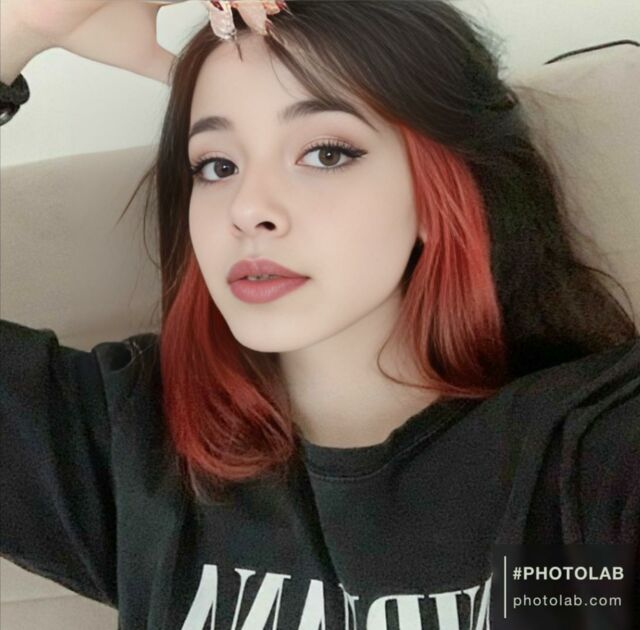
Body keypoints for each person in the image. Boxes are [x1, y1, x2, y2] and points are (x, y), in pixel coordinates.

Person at [1, 1, 638, 628]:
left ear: (441, 188)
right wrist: (23, 24)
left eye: (326, 154)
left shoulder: (587, 455)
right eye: (217, 166)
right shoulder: (133, 444)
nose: (248, 209)